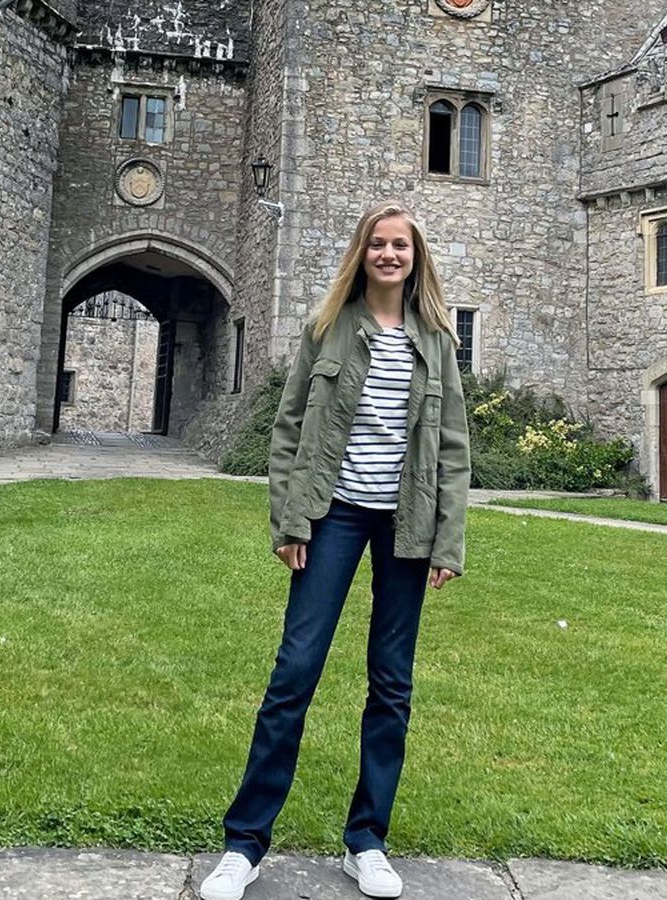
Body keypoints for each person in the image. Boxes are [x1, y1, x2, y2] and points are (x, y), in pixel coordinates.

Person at [199, 200, 471, 900]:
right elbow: (289, 429)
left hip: (406, 524)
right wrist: (289, 521)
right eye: (378, 244)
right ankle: (244, 843)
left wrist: (449, 539)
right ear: (363, 253)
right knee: (296, 671)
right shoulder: (328, 329)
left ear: (416, 259)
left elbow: (452, 448)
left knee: (392, 682)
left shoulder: (437, 337)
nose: (388, 255)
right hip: (333, 516)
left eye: (400, 246)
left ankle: (367, 841)